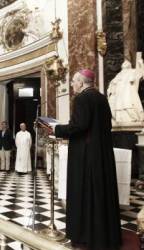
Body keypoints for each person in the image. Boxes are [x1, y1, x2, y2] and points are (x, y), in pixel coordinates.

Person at [52, 69, 122, 249]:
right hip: (102, 154)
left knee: (87, 193)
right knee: (100, 194)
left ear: (81, 83)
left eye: (74, 81)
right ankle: (104, 235)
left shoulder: (82, 98)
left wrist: (56, 129)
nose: (72, 84)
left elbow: (79, 126)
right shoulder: (101, 98)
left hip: (87, 156)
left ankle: (85, 235)